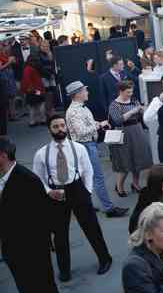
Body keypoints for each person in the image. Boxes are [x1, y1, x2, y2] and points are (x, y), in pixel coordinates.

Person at [0, 136, 74, 293]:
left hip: (32, 251)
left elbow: (43, 218)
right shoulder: (4, 177)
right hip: (13, 249)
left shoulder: (26, 180)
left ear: (3, 156)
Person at [33, 114, 113, 281]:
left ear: (66, 127)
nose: (60, 129)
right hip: (55, 193)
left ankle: (105, 259)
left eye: (62, 125)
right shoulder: (41, 154)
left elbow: (88, 171)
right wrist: (48, 191)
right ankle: (64, 270)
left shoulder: (78, 148)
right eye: (56, 126)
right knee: (60, 234)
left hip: (77, 189)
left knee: (91, 228)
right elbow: (37, 178)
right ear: (50, 129)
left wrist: (88, 191)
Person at [64, 80, 129, 217]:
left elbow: (87, 123)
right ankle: (109, 208)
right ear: (78, 94)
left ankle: (86, 205)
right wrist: (98, 126)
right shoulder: (74, 111)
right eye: (84, 90)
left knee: (85, 178)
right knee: (97, 177)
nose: (87, 92)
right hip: (85, 146)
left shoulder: (81, 108)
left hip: (86, 145)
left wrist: (99, 123)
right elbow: (81, 131)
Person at [108, 79, 153, 197]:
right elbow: (117, 120)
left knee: (138, 160)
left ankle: (135, 184)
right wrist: (133, 111)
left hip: (137, 131)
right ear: (120, 91)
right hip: (123, 133)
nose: (130, 94)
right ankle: (119, 187)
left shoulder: (134, 100)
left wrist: (143, 111)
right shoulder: (114, 104)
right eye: (128, 92)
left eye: (131, 91)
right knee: (125, 163)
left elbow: (141, 116)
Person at [20, 51, 46, 126]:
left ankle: (32, 121)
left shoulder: (26, 68)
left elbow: (25, 81)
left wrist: (25, 90)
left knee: (32, 107)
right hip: (36, 90)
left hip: (31, 91)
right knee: (41, 103)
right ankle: (42, 119)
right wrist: (39, 91)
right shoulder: (33, 68)